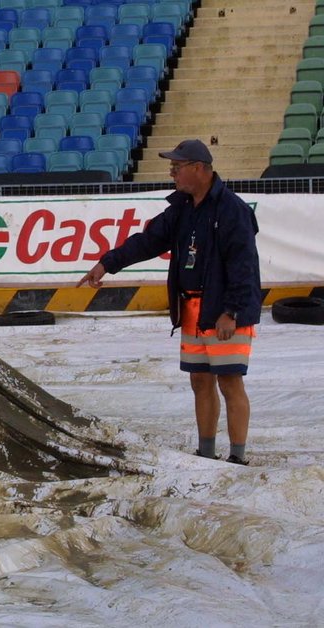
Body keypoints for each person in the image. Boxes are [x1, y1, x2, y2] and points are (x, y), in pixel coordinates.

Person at [77, 139, 261, 465]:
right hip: (192, 310)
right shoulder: (181, 209)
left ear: (199, 168)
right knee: (199, 380)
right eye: (172, 166)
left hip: (224, 312)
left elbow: (243, 266)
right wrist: (107, 263)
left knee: (230, 382)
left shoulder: (233, 210)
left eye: (177, 166)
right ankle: (206, 454)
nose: (172, 172)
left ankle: (238, 457)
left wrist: (231, 311)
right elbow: (147, 242)